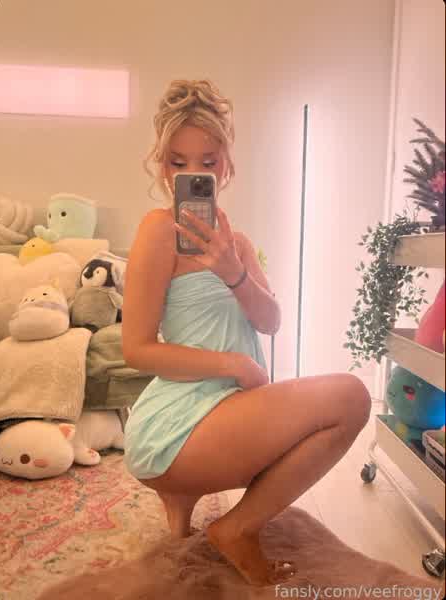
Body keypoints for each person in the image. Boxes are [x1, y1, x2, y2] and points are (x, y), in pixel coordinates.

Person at [122, 79, 371, 587]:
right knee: (351, 397)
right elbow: (136, 348)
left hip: (228, 412)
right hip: (177, 423)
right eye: (177, 162)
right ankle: (235, 529)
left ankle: (184, 502)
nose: (192, 174)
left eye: (207, 161)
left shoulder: (238, 243)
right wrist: (232, 365)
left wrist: (232, 269)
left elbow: (271, 321)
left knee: (342, 400)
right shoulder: (157, 229)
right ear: (162, 166)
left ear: (226, 165)